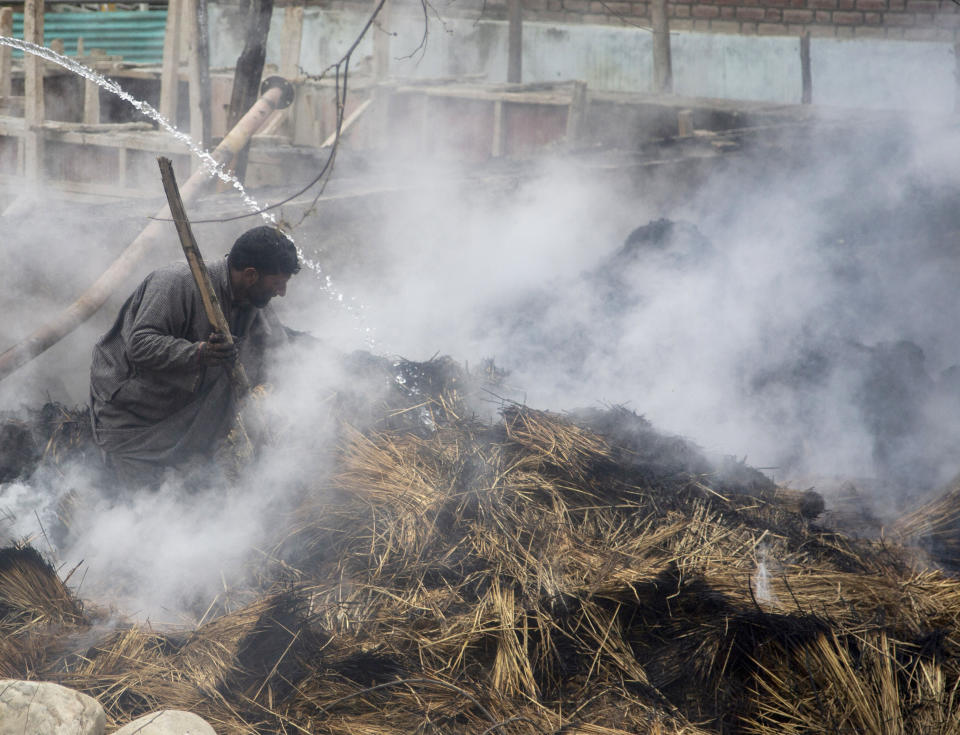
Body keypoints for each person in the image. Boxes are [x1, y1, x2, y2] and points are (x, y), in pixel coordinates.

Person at [89, 225, 300, 484]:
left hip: (191, 431)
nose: (282, 292)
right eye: (278, 283)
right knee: (139, 511)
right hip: (138, 424)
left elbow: (279, 355)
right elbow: (140, 344)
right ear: (251, 275)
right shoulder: (178, 282)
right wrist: (199, 352)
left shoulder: (254, 304)